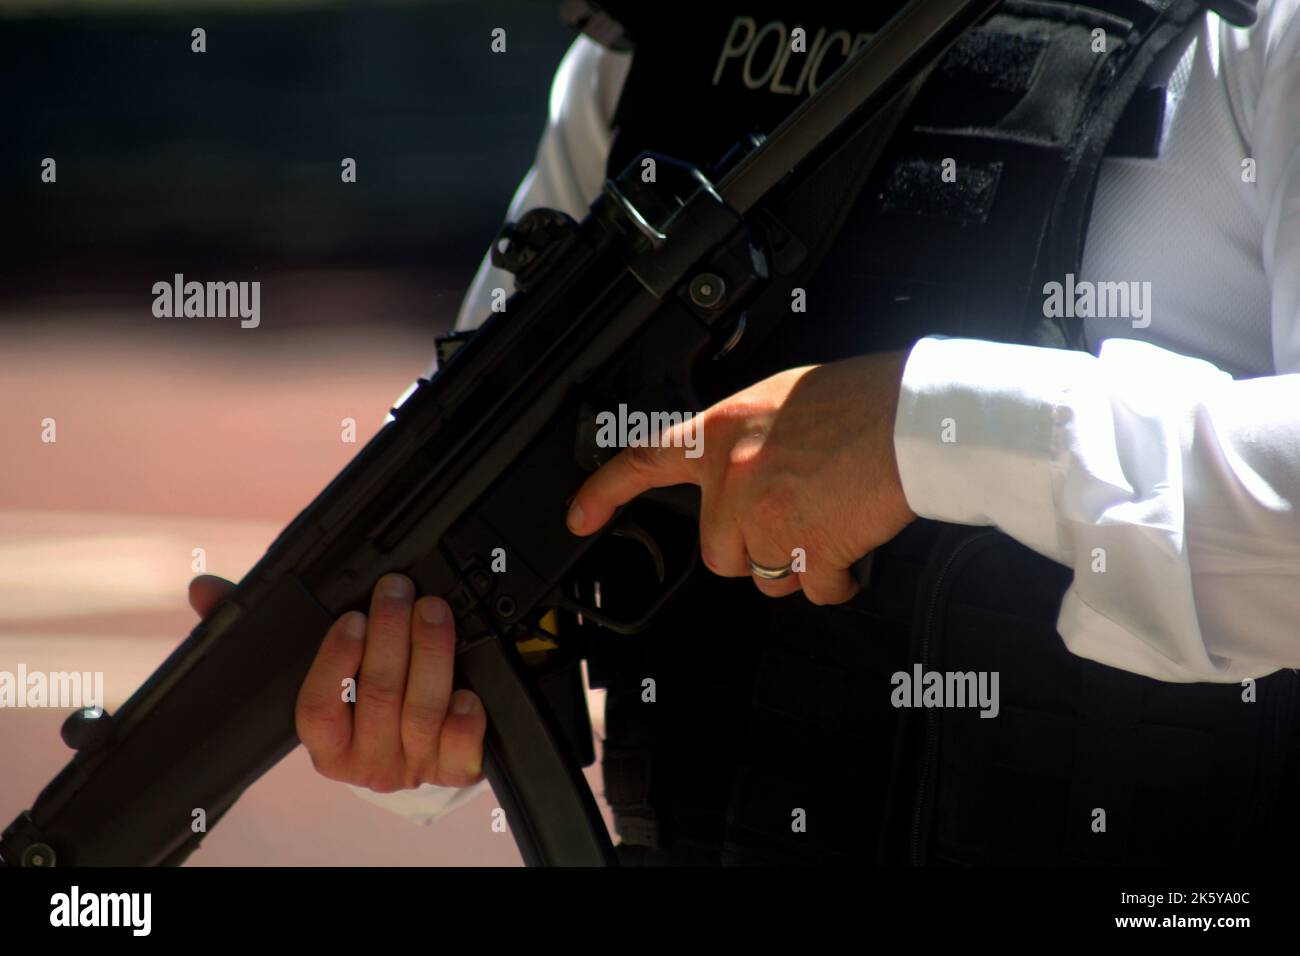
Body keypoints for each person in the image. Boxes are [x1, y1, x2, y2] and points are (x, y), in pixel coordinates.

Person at [194, 0, 1300, 863]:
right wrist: (415, 698)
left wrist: (927, 430)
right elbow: (493, 462)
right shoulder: (652, 47)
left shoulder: (1249, 35)